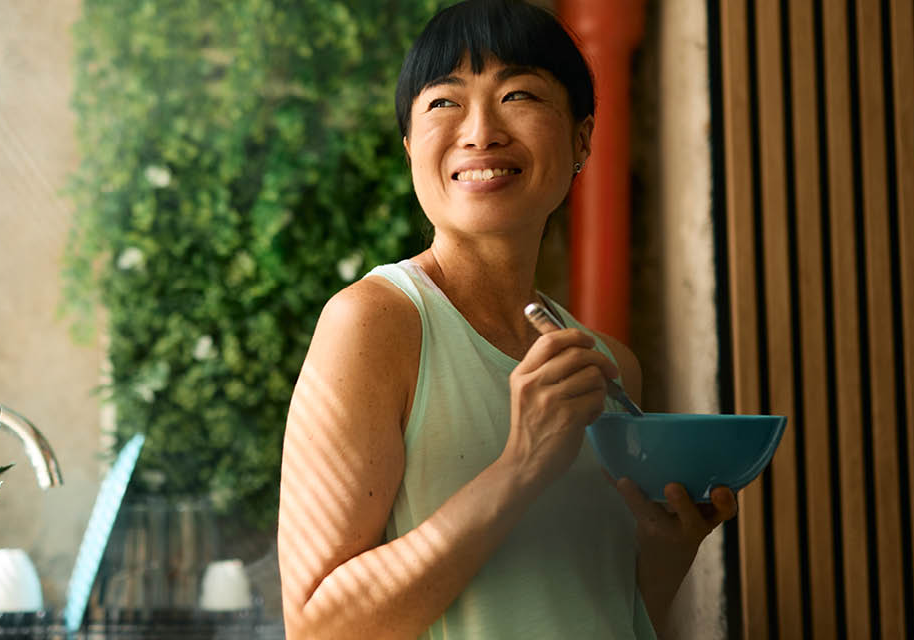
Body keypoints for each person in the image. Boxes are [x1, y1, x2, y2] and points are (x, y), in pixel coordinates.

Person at [277, 1, 736, 637]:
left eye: (518, 94)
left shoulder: (607, 365)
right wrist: (521, 464)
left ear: (581, 138)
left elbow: (604, 607)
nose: (480, 132)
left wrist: (669, 545)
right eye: (444, 103)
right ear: (410, 146)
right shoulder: (375, 323)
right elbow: (319, 627)